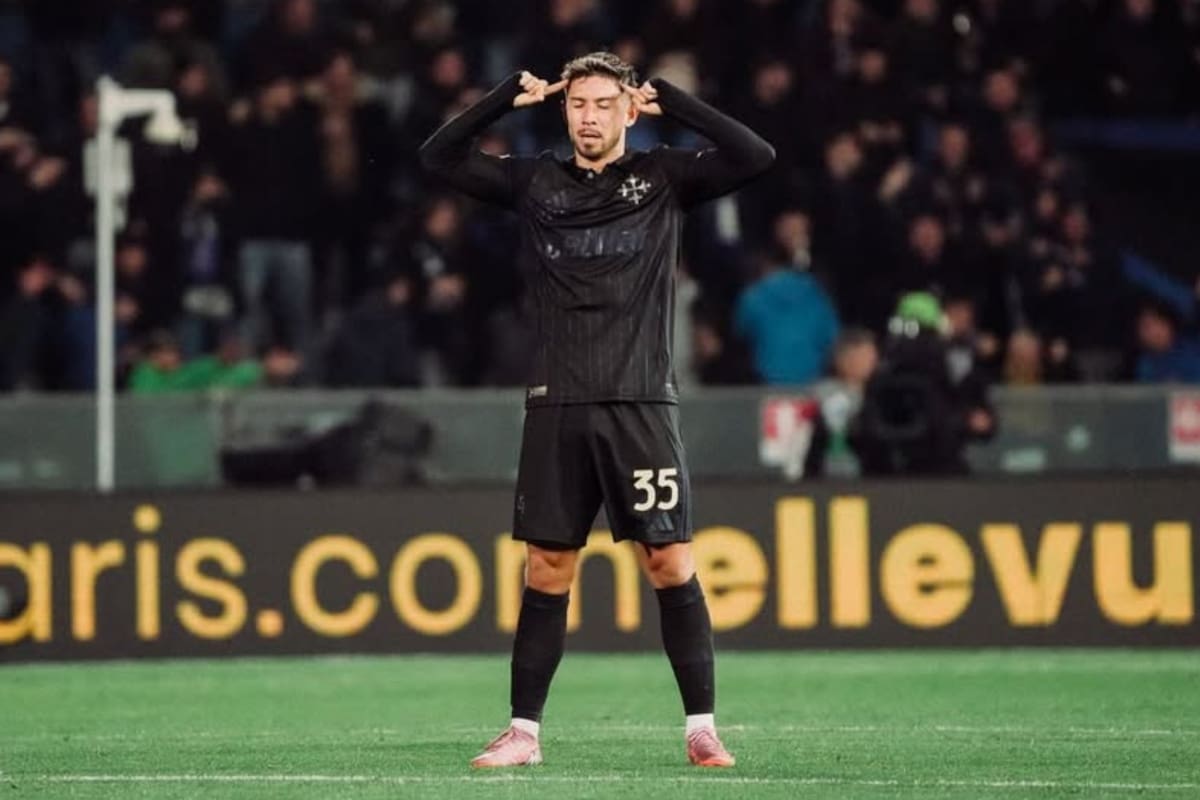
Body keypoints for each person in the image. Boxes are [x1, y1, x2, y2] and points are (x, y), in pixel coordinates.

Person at [420, 52, 773, 769]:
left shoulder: (664, 176)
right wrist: (499, 101)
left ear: (626, 112)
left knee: (670, 561)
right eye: (579, 103)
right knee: (546, 571)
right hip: (557, 401)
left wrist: (672, 99)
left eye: (605, 104)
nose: (590, 116)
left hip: (640, 399)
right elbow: (439, 156)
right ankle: (524, 733)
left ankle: (701, 726)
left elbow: (754, 154)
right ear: (565, 110)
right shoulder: (533, 181)